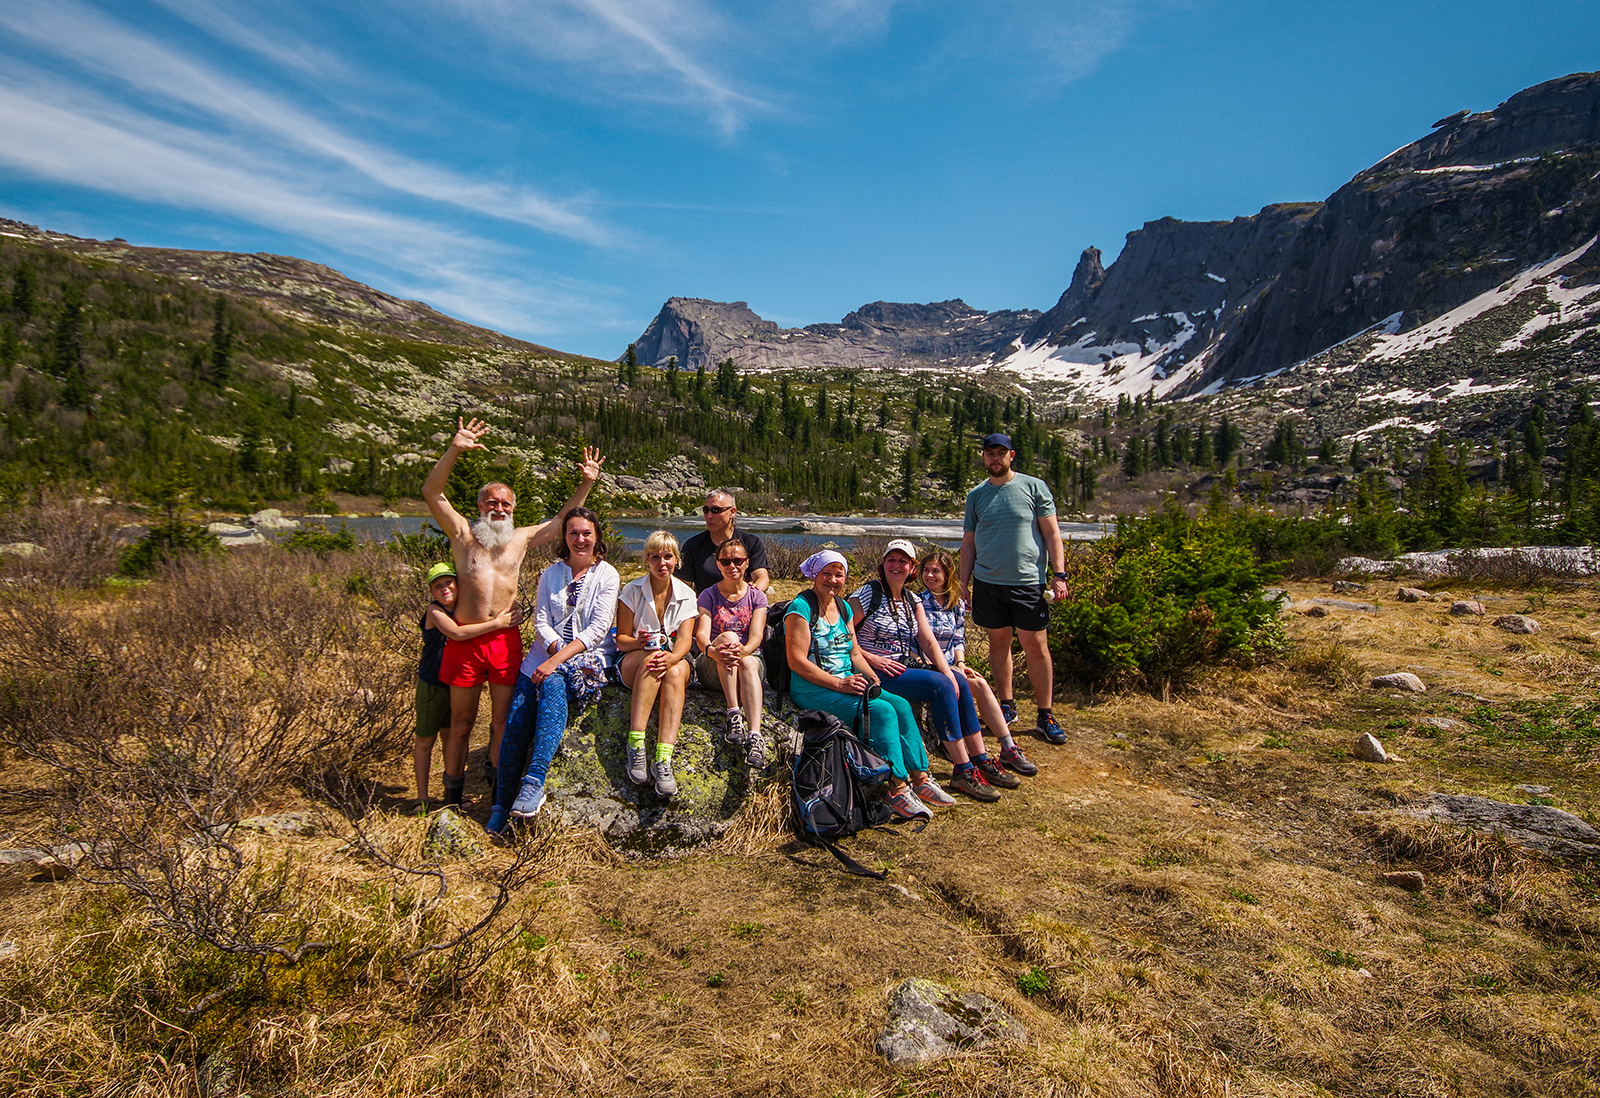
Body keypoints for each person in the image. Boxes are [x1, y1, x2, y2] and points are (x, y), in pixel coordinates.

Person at [422, 417, 604, 805]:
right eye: (492, 502)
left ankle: (496, 788)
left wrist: (587, 482)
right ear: (480, 506)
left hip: (505, 641)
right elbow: (432, 492)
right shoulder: (463, 534)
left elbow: (562, 523)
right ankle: (451, 793)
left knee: (501, 722)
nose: (499, 508)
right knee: (461, 723)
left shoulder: (520, 539)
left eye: (506, 503)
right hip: (466, 642)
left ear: (513, 508)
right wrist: (455, 448)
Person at [846, 540, 1013, 803]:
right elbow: (845, 633)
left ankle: (979, 758)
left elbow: (928, 641)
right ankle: (963, 769)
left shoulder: (913, 600)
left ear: (912, 567)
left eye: (903, 561)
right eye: (891, 560)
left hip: (902, 666)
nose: (896, 565)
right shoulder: (869, 593)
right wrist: (872, 658)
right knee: (940, 686)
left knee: (956, 680)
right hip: (874, 670)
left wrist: (948, 670)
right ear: (883, 564)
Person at [487, 507, 619, 833]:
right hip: (542, 657)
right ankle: (502, 805)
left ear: (597, 537)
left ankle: (535, 780)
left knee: (553, 683)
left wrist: (557, 662)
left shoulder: (608, 575)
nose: (580, 539)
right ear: (564, 537)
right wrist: (553, 653)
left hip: (587, 660)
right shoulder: (550, 574)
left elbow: (598, 630)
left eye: (586, 533)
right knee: (515, 721)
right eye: (573, 533)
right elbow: (542, 622)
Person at [784, 549, 936, 820]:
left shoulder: (842, 608)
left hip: (846, 681)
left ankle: (921, 778)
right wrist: (838, 683)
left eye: (838, 575)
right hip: (813, 688)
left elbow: (854, 653)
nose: (832, 580)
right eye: (826, 574)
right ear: (814, 575)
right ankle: (897, 787)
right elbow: (796, 661)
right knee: (882, 711)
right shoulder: (801, 608)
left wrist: (873, 678)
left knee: (899, 704)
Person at [958, 432, 1071, 746]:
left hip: (1027, 582)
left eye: (1000, 453)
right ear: (984, 457)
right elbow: (968, 543)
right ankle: (1006, 705)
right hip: (988, 582)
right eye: (989, 453)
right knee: (998, 643)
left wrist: (1058, 575)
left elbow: (1052, 535)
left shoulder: (1034, 487)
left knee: (1036, 646)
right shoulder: (976, 496)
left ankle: (1045, 714)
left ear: (1011, 455)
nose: (995, 458)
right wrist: (963, 584)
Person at [917, 546, 1038, 778]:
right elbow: (917, 644)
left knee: (980, 682)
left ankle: (1008, 747)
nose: (930, 575)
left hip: (953, 666)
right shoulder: (917, 603)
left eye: (936, 571)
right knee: (975, 685)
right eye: (926, 570)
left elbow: (958, 639)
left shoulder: (955, 605)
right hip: (928, 667)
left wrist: (961, 663)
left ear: (947, 574)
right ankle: (980, 755)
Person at [413, 562, 523, 805]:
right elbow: (457, 633)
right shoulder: (435, 611)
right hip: (433, 682)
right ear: (431, 592)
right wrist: (497, 624)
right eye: (437, 586)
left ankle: (471, 793)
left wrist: (514, 612)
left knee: (455, 732)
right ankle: (427, 797)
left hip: (452, 677)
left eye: (448, 583)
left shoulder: (463, 606)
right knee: (433, 736)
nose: (444, 589)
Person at [615, 531, 698, 797]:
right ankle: (636, 744)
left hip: (673, 659)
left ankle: (663, 759)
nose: (662, 563)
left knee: (673, 672)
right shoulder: (632, 590)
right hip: (636, 660)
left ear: (677, 560)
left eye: (667, 557)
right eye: (655, 557)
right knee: (653, 659)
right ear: (646, 560)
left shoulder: (687, 594)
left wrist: (673, 657)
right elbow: (621, 640)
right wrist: (640, 643)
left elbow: (686, 639)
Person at [693, 536, 771, 769]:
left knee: (748, 663)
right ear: (718, 564)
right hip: (714, 665)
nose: (732, 566)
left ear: (747, 563)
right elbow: (702, 635)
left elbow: (756, 636)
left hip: (747, 661)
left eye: (738, 561)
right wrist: (713, 651)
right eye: (725, 562)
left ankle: (755, 735)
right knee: (727, 637)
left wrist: (743, 652)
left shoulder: (757, 596)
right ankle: (733, 712)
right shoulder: (708, 595)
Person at [676, 488, 771, 595]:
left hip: (742, 606)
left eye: (716, 510)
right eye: (706, 510)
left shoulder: (751, 542)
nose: (709, 516)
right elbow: (683, 586)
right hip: (706, 608)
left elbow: (762, 577)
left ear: (733, 512)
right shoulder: (693, 545)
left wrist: (751, 595)